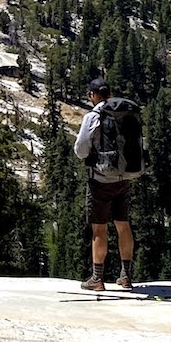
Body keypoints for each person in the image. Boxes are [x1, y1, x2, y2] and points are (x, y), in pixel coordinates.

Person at [74, 75, 139, 291]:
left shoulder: (93, 116)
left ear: (93, 95)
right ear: (108, 94)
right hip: (125, 177)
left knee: (99, 229)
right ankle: (126, 276)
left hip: (100, 179)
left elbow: (81, 150)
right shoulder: (125, 112)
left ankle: (97, 278)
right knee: (123, 224)